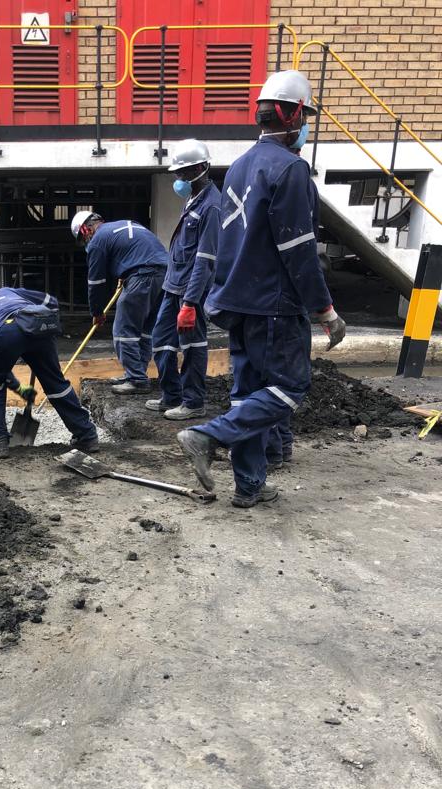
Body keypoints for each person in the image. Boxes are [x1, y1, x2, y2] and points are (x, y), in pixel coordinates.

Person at [177, 69, 346, 508]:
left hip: (237, 301)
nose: (306, 126)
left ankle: (249, 486)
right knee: (290, 388)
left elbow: (230, 242)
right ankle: (207, 436)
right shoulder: (290, 169)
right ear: (293, 115)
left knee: (247, 395)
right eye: (305, 117)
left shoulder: (237, 167)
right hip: (275, 304)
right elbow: (298, 249)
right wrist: (325, 310)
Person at [0, 286, 100, 459]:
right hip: (36, 324)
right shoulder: (8, 291)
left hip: (6, 330)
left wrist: (13, 384)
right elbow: (51, 301)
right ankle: (87, 435)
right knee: (55, 382)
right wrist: (46, 326)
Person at [146, 140, 221, 420]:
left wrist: (190, 302)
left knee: (192, 346)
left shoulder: (211, 207)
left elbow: (205, 259)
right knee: (161, 340)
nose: (178, 178)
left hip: (191, 290)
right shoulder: (193, 200)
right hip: (173, 285)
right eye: (177, 172)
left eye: (183, 172)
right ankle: (171, 395)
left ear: (201, 168)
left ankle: (193, 402)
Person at [71, 212, 168, 394]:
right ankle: (136, 373)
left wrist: (97, 312)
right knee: (144, 330)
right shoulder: (123, 224)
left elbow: (96, 282)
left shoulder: (98, 240)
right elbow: (136, 250)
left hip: (143, 276)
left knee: (124, 330)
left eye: (83, 239)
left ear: (86, 230)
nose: (86, 243)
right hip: (165, 275)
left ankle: (137, 380)